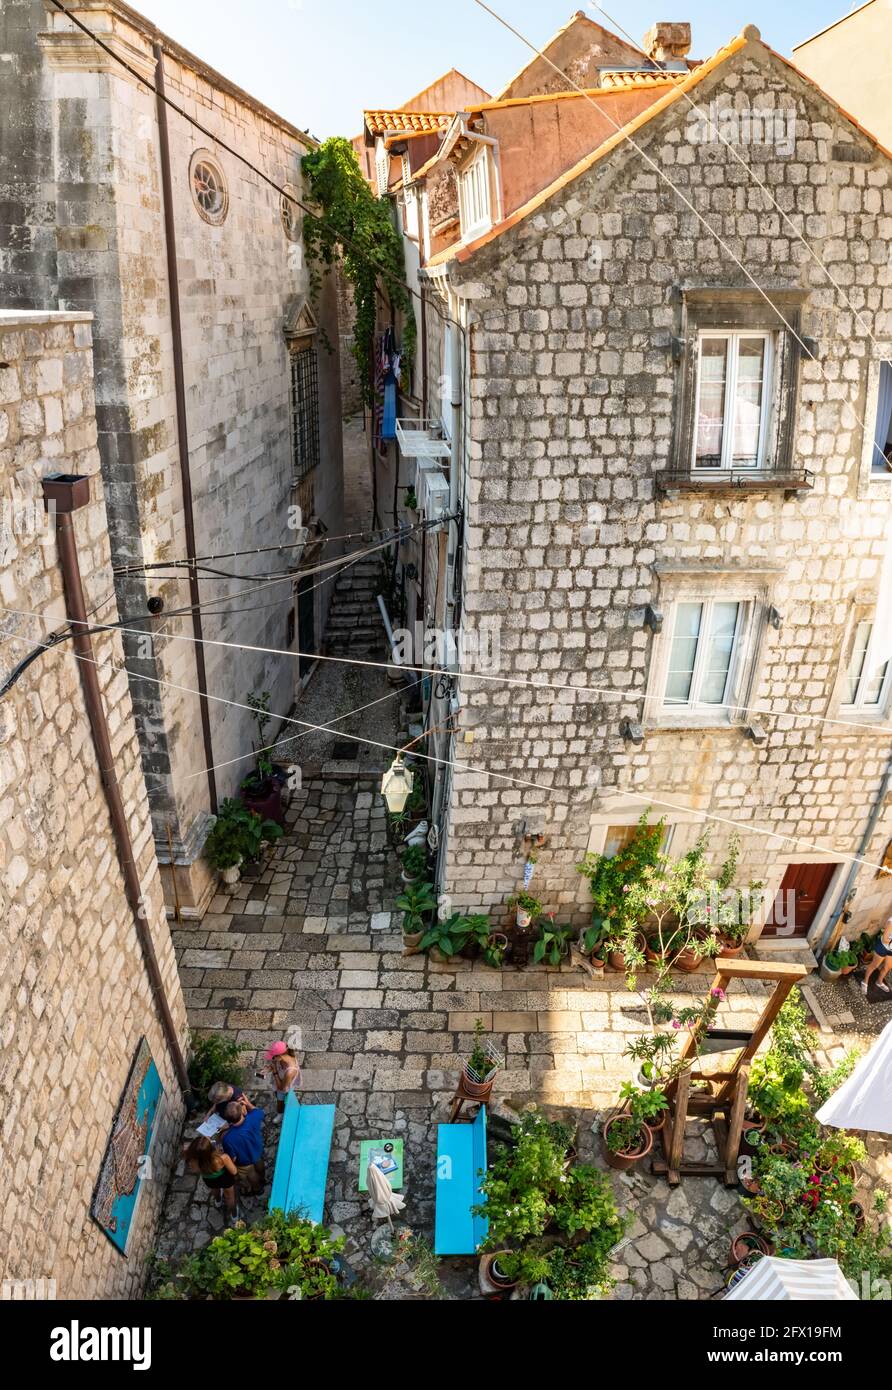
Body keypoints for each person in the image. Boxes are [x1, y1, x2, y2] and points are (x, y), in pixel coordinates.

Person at [183, 1135, 240, 1223]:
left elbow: (195, 1169)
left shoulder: (193, 1161)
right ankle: (234, 1214)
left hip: (209, 1180)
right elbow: (234, 1171)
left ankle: (218, 1201)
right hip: (225, 1179)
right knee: (230, 1197)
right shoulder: (222, 1158)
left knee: (215, 1189)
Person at [220, 1096, 266, 1194]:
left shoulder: (227, 1138)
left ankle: (258, 1189)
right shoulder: (253, 1118)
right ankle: (262, 1178)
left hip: (244, 1162)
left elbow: (233, 1158)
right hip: (257, 1152)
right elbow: (260, 1112)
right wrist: (248, 1103)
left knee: (252, 1175)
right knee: (260, 1166)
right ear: (242, 1112)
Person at [260, 1041, 302, 1116]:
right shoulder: (286, 1056)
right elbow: (274, 1063)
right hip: (281, 1080)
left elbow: (281, 1087)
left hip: (283, 1086)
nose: (272, 1059)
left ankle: (280, 1114)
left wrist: (275, 1071)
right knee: (279, 1095)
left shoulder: (290, 1071)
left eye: (273, 1057)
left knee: (280, 1101)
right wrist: (268, 1069)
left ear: (279, 1056)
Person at [862, 917, 892, 996]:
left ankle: (879, 982)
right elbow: (885, 939)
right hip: (882, 947)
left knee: (887, 968)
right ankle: (865, 981)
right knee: (874, 966)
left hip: (891, 950)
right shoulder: (891, 922)